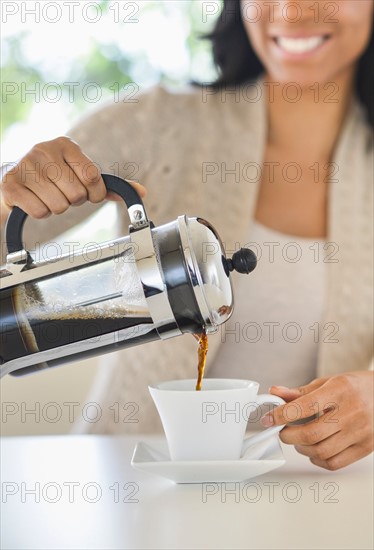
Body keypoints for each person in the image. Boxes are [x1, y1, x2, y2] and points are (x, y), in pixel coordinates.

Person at [1, 0, 373, 470]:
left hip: (301, 507)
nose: (293, 10)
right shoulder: (155, 123)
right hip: (125, 498)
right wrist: (11, 192)